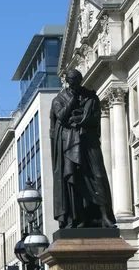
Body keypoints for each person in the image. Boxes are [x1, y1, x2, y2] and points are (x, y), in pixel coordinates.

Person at [50, 69, 117, 229]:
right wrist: (73, 101)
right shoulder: (59, 99)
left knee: (98, 176)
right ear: (67, 82)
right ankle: (75, 219)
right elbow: (62, 116)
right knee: (72, 180)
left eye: (78, 82)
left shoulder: (91, 97)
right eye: (72, 83)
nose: (75, 86)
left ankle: (105, 217)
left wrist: (80, 119)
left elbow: (95, 118)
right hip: (69, 145)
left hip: (88, 142)